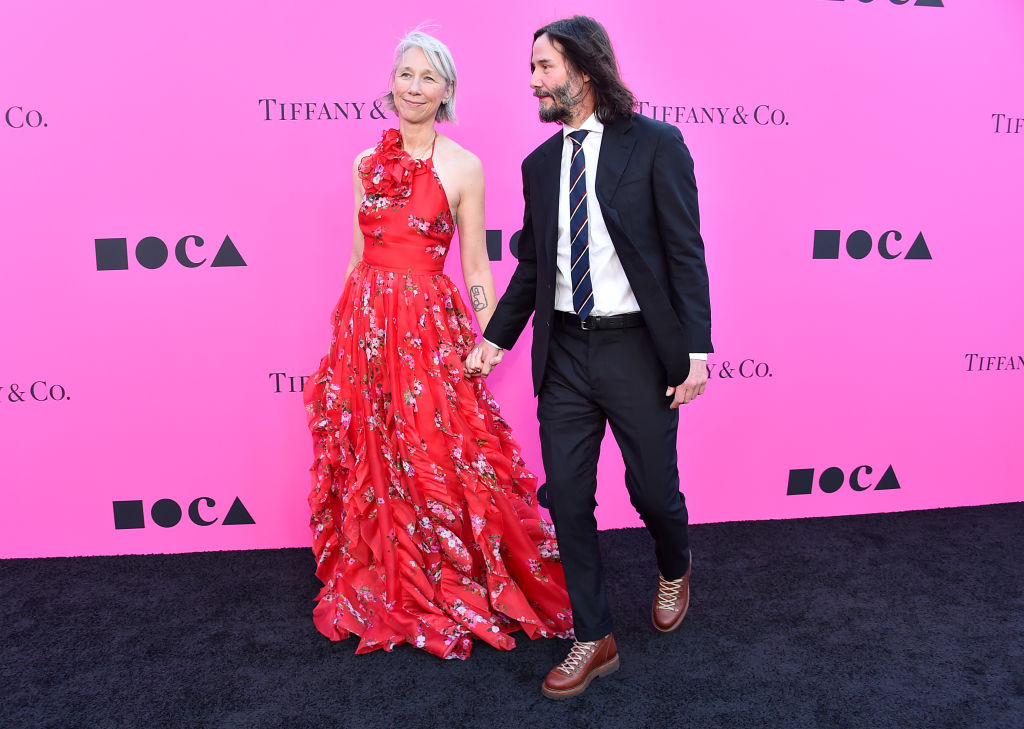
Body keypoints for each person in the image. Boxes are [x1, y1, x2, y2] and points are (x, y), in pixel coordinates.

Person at [303, 30, 572, 660]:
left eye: (429, 77)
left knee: (437, 444)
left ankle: (451, 569)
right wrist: (343, 333)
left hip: (426, 325)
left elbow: (476, 265)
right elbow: (356, 256)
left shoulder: (463, 166)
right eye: (406, 74)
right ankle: (387, 571)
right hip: (366, 327)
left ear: (447, 90)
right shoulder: (363, 164)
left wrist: (491, 336)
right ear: (391, 83)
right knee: (373, 449)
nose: (414, 87)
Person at [466, 16, 712, 698]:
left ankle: (675, 562)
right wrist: (495, 339)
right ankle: (593, 635)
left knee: (653, 490)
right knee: (569, 498)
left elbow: (685, 252)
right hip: (566, 353)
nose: (533, 81)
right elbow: (532, 267)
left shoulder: (657, 145)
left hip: (638, 348)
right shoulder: (539, 166)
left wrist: (695, 349)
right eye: (532, 68)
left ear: (583, 67)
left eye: (544, 66)